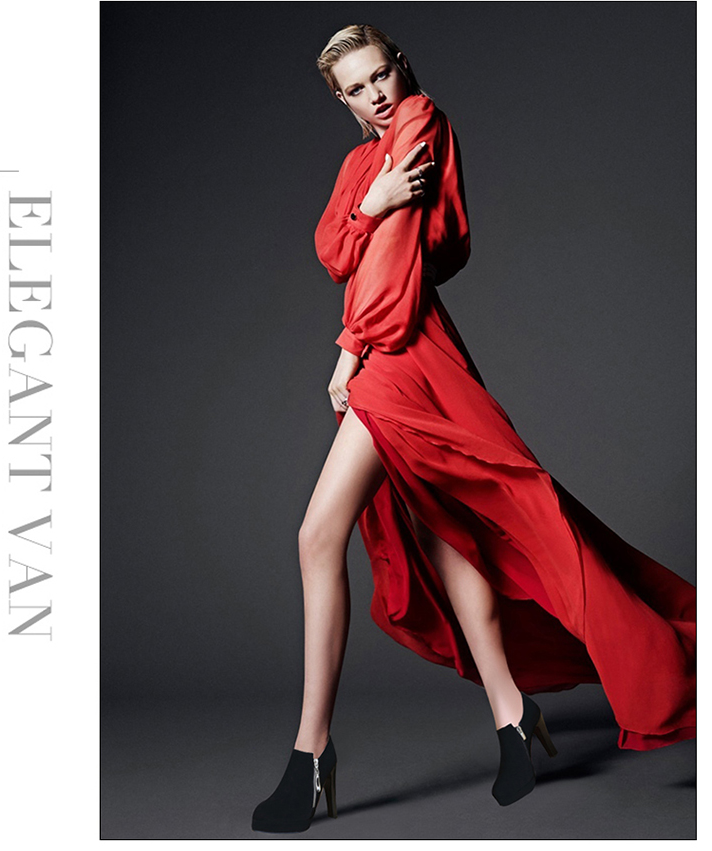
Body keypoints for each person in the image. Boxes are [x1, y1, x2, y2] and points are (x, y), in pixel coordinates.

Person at [251, 23, 696, 834]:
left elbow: (398, 262)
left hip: (399, 351)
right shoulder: (360, 164)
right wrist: (371, 204)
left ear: (401, 67)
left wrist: (348, 351)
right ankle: (510, 715)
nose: (376, 95)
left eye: (381, 75)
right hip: (401, 345)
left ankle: (311, 753)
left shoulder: (421, 120)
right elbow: (331, 252)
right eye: (356, 88)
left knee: (320, 535)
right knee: (448, 532)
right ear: (341, 101)